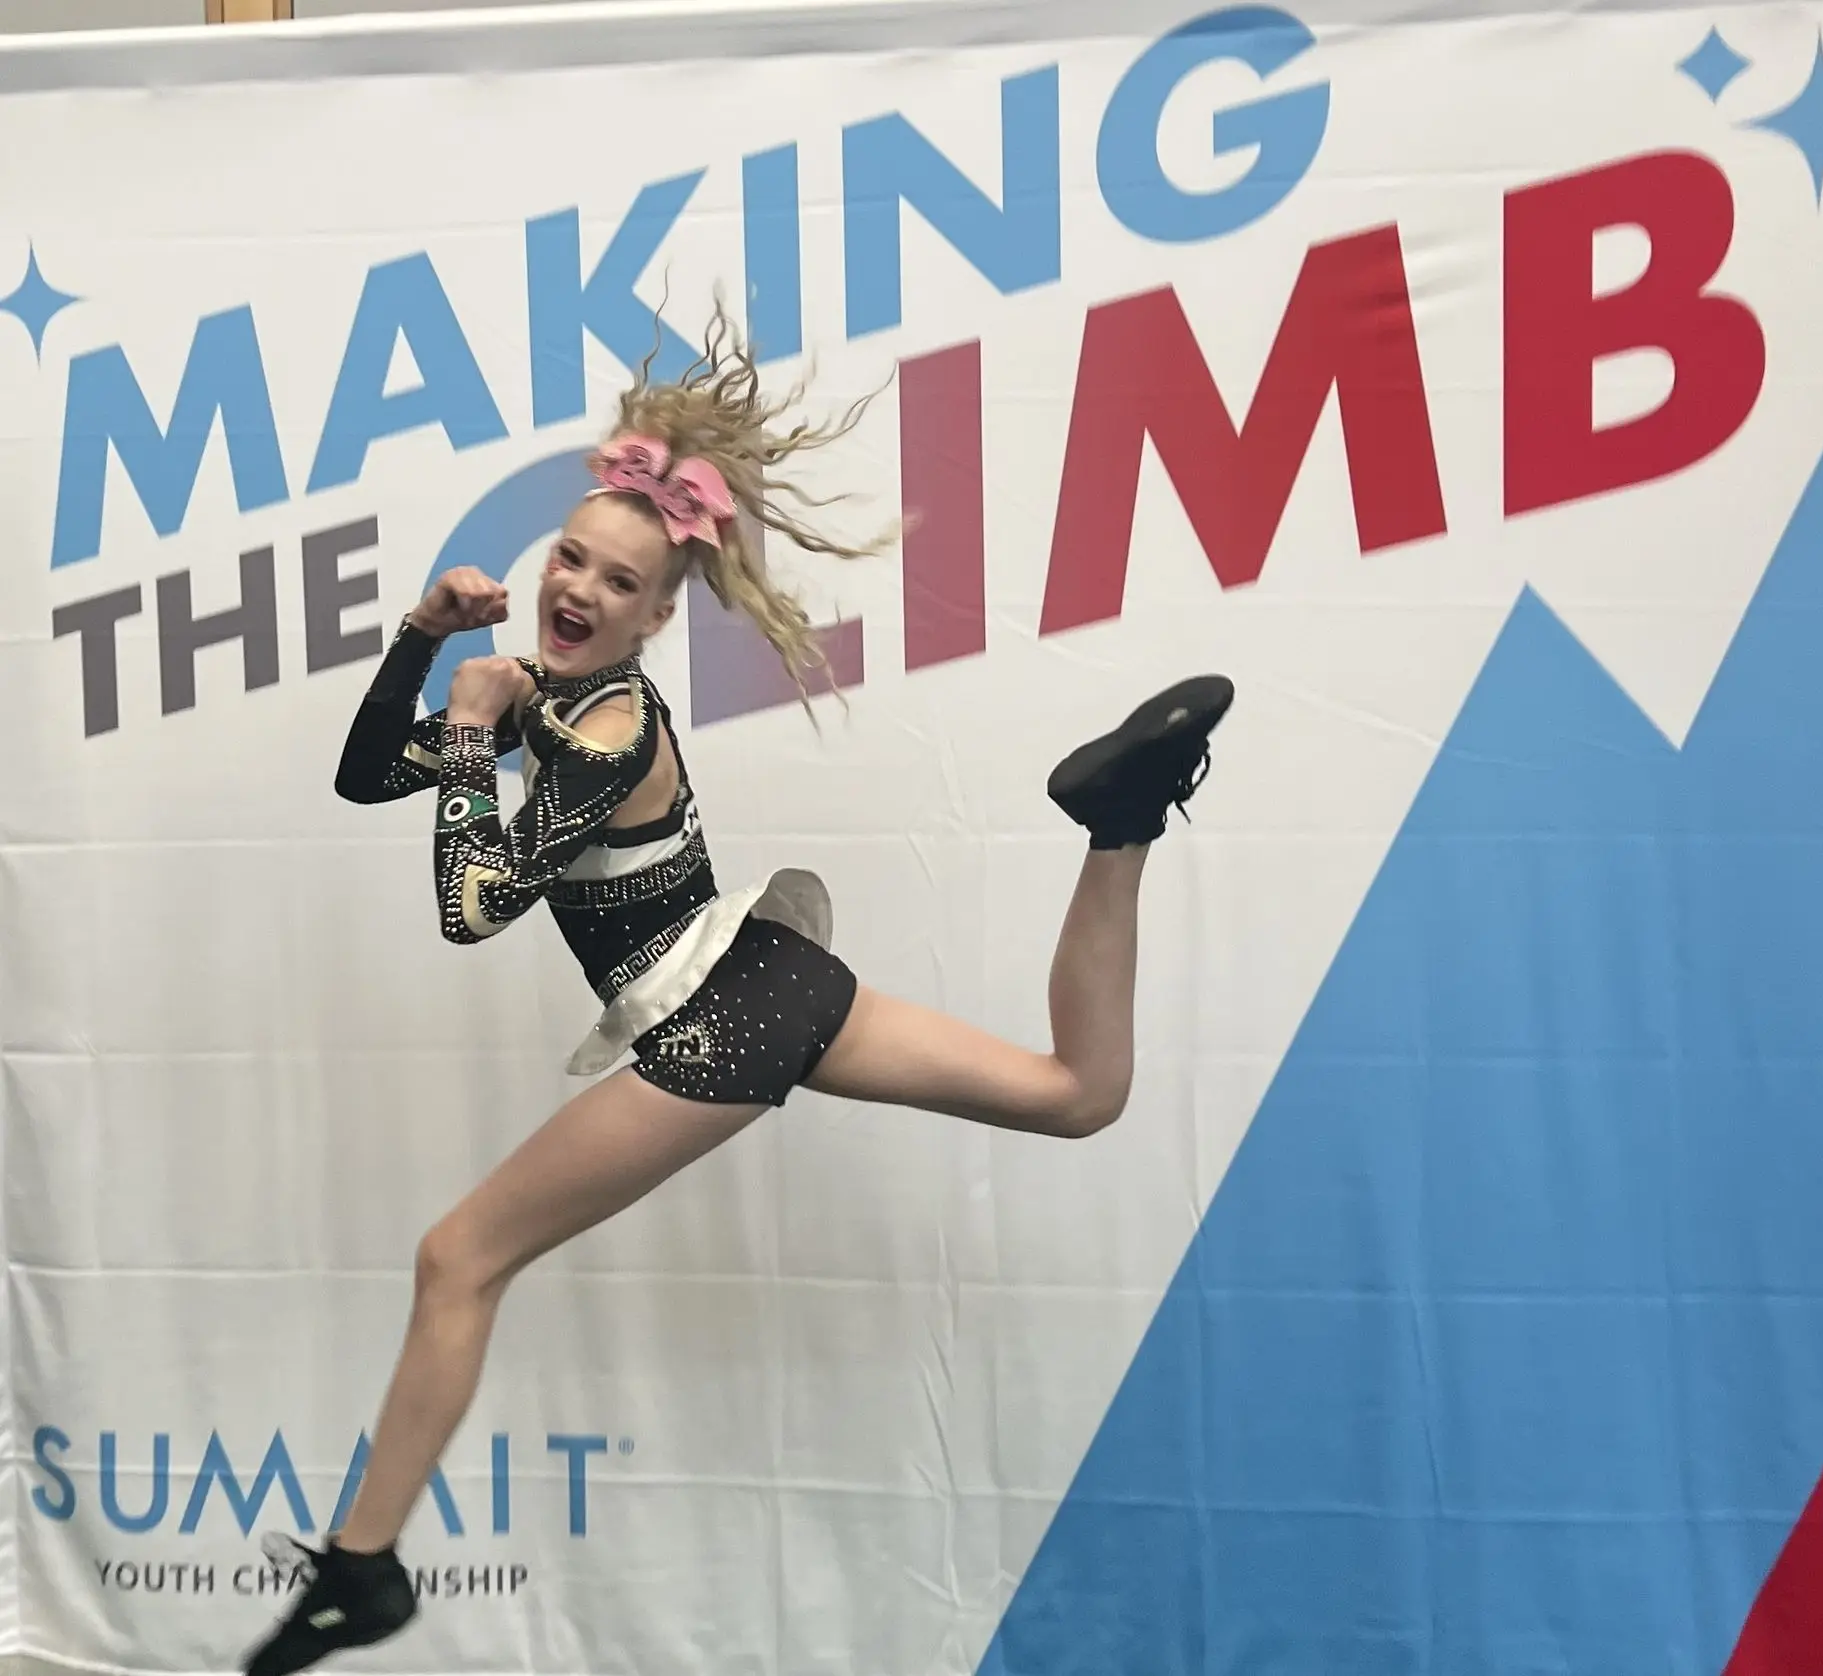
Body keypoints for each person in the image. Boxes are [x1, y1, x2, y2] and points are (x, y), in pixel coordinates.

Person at [239, 307, 1233, 1676]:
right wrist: (422, 642)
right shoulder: (545, 691)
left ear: (659, 614)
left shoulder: (603, 725)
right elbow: (367, 775)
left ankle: (362, 1572)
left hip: (719, 1016)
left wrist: (469, 728)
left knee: (457, 1259)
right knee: (1082, 1096)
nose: (578, 587)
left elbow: (471, 909)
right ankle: (1121, 822)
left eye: (618, 579)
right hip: (771, 976)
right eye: (570, 559)